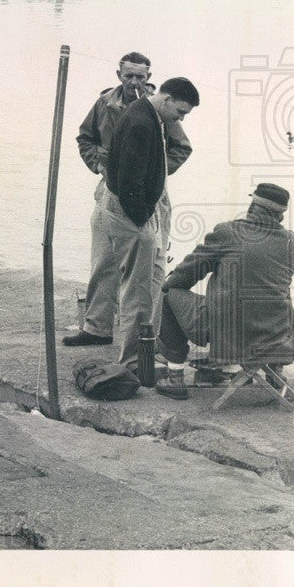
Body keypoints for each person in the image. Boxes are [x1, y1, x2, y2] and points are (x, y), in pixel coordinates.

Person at [64, 53, 192, 348]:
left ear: (149, 77)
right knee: (103, 259)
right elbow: (84, 138)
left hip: (147, 194)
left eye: (140, 77)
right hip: (109, 189)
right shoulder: (104, 104)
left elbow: (182, 148)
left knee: (148, 267)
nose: (134, 82)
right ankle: (97, 327)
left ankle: (145, 338)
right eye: (128, 76)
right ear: (118, 74)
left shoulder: (161, 108)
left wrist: (154, 173)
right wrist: (98, 165)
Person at [154, 184, 294, 399]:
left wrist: (173, 287)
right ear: (280, 215)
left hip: (228, 334)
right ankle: (274, 374)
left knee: (169, 294)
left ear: (252, 207)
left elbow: (186, 275)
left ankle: (175, 376)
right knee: (271, 293)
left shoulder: (228, 232)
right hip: (277, 335)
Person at [104, 77, 200, 374]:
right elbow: (129, 183)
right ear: (167, 99)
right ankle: (132, 360)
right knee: (138, 289)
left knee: (150, 283)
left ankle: (146, 347)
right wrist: (144, 220)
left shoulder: (147, 113)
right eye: (180, 112)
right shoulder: (141, 124)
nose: (181, 119)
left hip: (139, 211)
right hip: (132, 214)